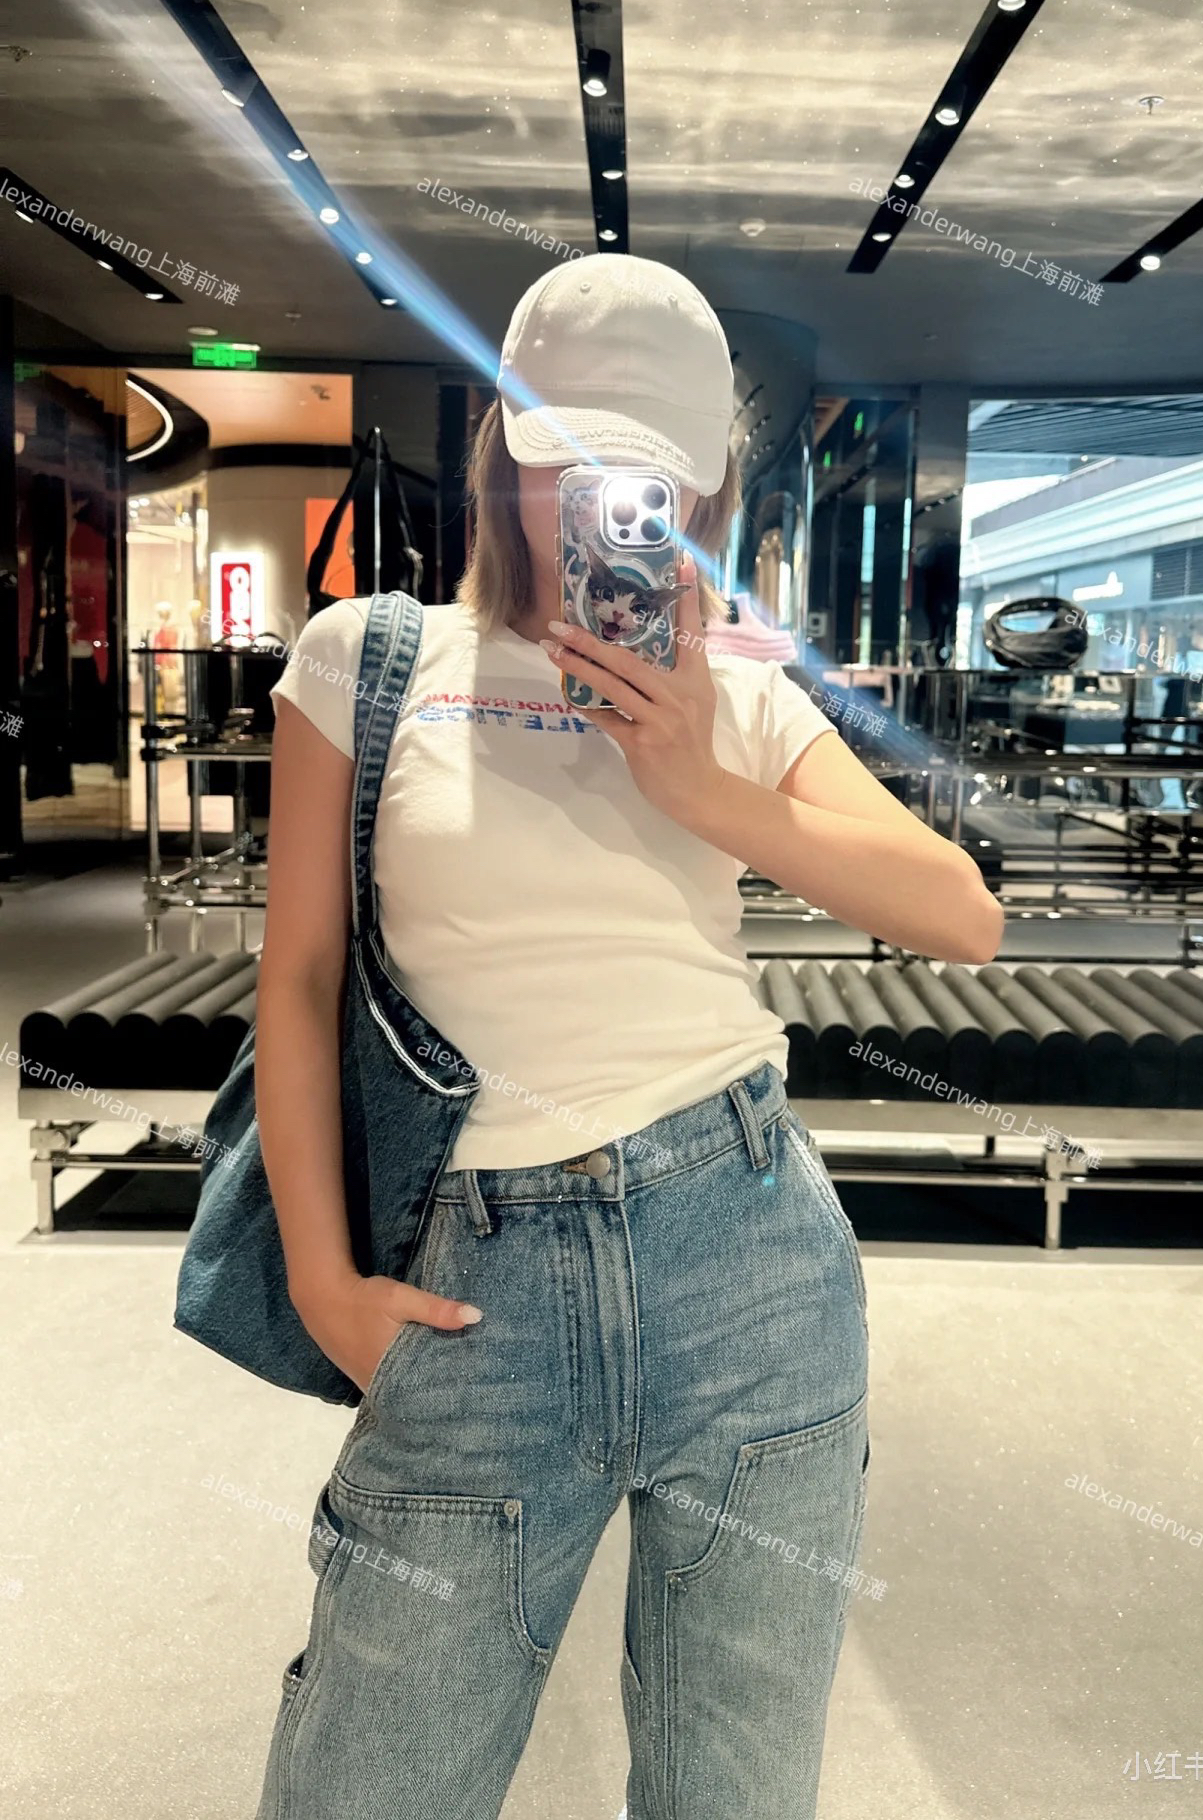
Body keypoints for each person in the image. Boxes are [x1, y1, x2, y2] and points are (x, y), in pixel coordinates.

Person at [254, 252, 1003, 1820]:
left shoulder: (738, 688)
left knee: (733, 1792)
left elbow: (960, 913)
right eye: (564, 461)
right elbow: (302, 980)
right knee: (366, 1785)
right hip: (478, 1278)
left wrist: (698, 780)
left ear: (701, 491)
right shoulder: (368, 659)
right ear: (503, 454)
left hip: (749, 1258)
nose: (593, 505)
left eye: (638, 477)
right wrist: (322, 1281)